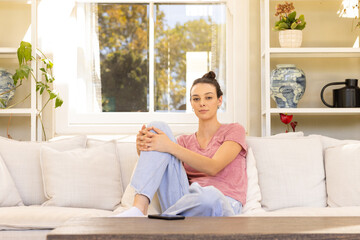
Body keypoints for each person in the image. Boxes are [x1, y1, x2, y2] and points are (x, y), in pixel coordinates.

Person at [117, 71, 247, 217]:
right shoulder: (183, 142)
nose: (202, 103)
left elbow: (213, 167)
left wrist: (169, 146)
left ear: (219, 100)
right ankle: (139, 209)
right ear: (191, 103)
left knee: (209, 196)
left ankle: (165, 219)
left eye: (209, 97)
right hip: (183, 199)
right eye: (196, 99)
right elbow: (158, 163)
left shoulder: (234, 130)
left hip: (220, 202)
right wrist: (142, 146)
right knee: (157, 127)